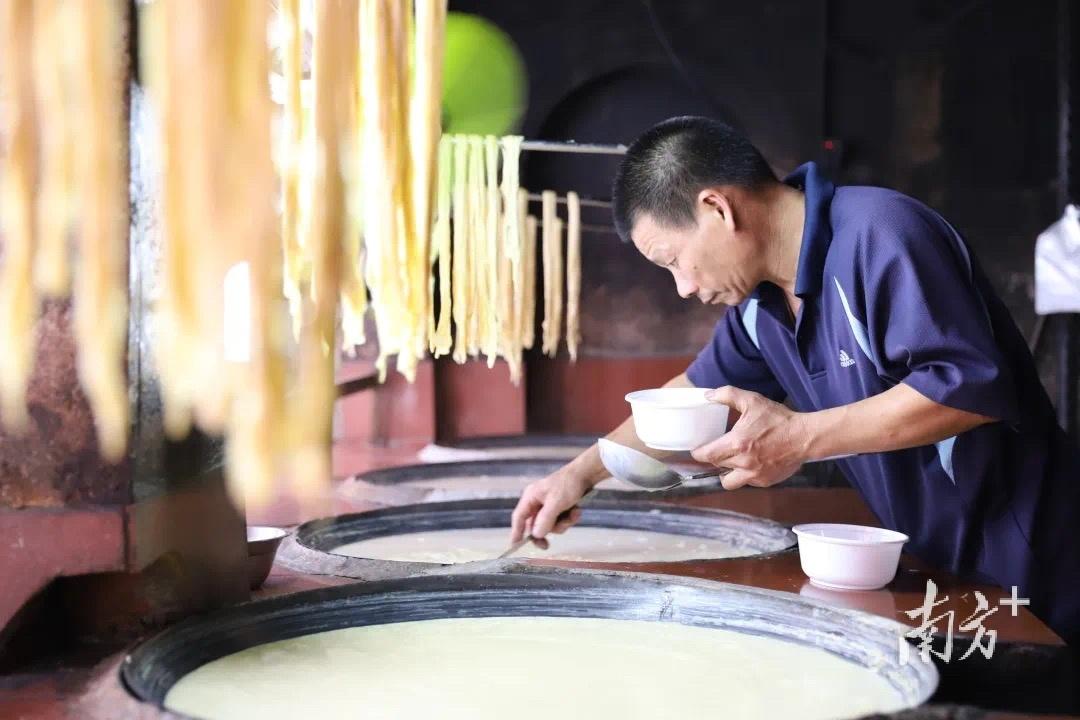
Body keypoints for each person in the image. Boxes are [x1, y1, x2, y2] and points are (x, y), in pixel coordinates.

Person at [509, 115, 1080, 646]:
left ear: (717, 209)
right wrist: (579, 474)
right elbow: (687, 397)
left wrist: (799, 437)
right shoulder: (759, 307)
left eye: (674, 260)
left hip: (1033, 555)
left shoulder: (881, 235)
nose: (682, 286)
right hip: (937, 563)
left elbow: (967, 388)